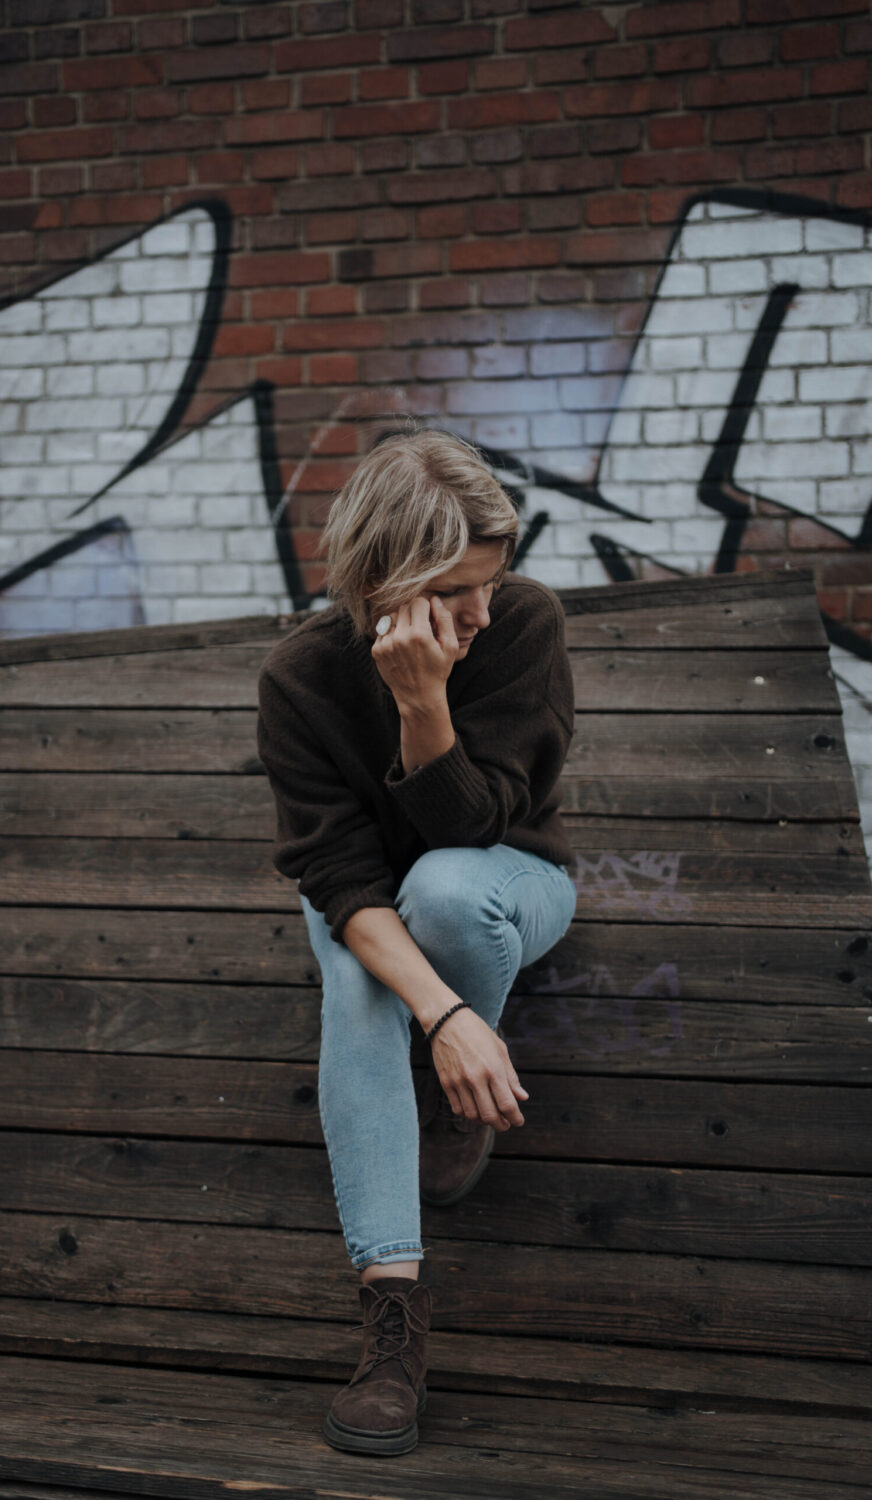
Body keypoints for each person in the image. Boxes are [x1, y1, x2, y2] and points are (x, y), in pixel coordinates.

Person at [256, 428, 577, 1456]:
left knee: (440, 891)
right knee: (359, 979)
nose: (480, 610)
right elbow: (339, 878)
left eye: (490, 581)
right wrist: (444, 1017)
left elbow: (474, 830)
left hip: (506, 881)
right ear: (380, 586)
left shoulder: (521, 624)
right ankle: (392, 1329)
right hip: (367, 904)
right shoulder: (299, 679)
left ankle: (449, 1095)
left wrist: (424, 702)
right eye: (452, 591)